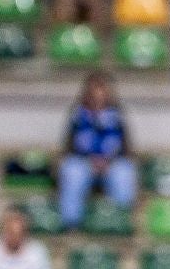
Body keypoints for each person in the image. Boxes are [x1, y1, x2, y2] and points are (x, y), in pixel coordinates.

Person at [58, 71, 137, 229]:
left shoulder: (117, 115)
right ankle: (71, 223)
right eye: (94, 89)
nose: (98, 94)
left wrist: (108, 162)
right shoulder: (77, 115)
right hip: (83, 164)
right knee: (72, 171)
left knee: (124, 172)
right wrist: (89, 161)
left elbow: (126, 148)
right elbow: (68, 147)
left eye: (102, 89)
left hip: (111, 165)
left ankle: (121, 219)